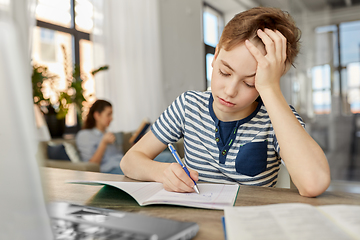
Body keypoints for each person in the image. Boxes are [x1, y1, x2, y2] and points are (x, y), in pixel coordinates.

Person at [120, 7, 331, 197]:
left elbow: (313, 183)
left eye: (250, 83)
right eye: (224, 72)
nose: (229, 91)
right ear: (216, 54)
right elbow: (129, 161)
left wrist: (270, 89)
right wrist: (163, 172)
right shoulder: (189, 106)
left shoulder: (277, 118)